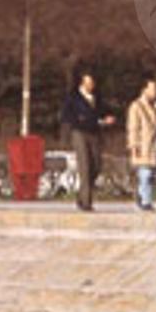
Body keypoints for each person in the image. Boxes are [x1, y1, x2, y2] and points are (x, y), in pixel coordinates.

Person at [60, 71, 117, 212]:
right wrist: (80, 121)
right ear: (82, 83)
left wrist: (108, 118)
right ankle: (86, 202)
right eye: (87, 83)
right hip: (79, 133)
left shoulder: (97, 97)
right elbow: (66, 116)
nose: (90, 85)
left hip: (95, 133)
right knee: (84, 166)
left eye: (92, 83)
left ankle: (82, 193)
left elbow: (104, 111)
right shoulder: (73, 98)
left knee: (96, 165)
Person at [125, 75, 156, 212]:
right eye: (152, 88)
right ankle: (145, 201)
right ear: (144, 90)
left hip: (154, 147)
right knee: (145, 174)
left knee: (150, 175)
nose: (155, 92)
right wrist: (133, 146)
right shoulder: (136, 106)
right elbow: (133, 128)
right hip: (142, 146)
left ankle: (142, 197)